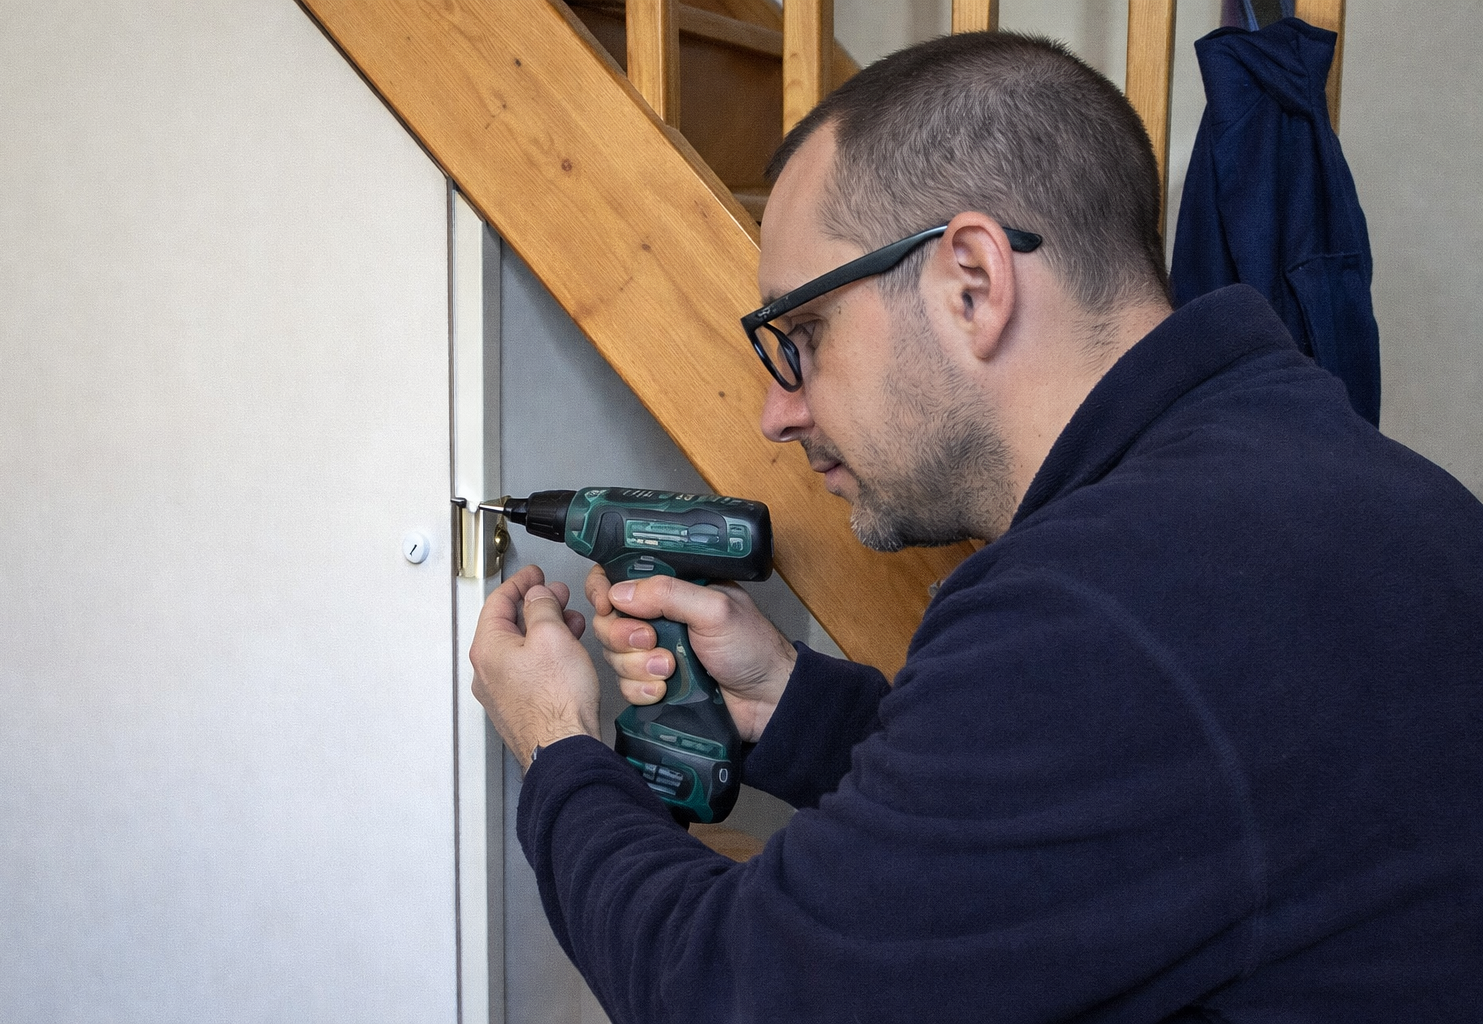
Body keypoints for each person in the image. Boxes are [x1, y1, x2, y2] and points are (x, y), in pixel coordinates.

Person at [468, 31, 1482, 1024]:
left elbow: (727, 991)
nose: (777, 412)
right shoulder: (1320, 481)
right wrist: (790, 699)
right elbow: (1085, 812)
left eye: (803, 335)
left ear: (973, 283)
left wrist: (557, 745)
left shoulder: (1105, 599)